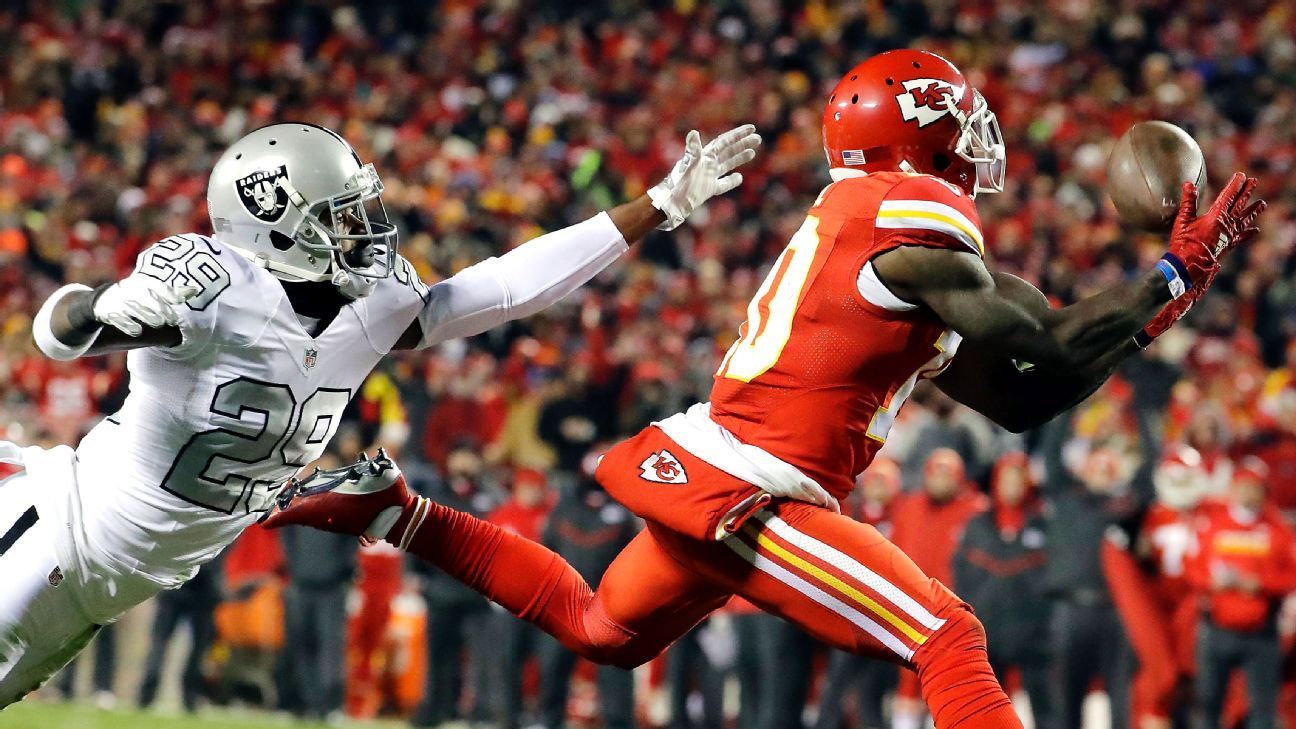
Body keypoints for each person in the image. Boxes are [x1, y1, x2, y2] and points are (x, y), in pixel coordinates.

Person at [262, 49, 1263, 729]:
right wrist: (1170, 276)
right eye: (958, 118)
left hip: (734, 470)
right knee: (948, 635)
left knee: (605, 631)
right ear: (917, 135)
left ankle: (399, 513)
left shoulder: (873, 233)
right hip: (755, 485)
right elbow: (1043, 334)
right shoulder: (901, 215)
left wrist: (1166, 303)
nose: (977, 137)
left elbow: (1025, 395)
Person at [0, 118, 761, 705]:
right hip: (58, 525)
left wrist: (655, 207)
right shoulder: (208, 286)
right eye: (339, 215)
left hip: (119, 579)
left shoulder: (374, 304)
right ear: (273, 223)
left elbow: (502, 289)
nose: (363, 229)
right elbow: (58, 332)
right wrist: (104, 304)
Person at [1102, 445, 1210, 729]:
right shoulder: (1148, 516)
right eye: (1175, 479)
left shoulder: (1210, 512)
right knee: (1162, 677)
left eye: (1185, 479)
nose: (1181, 487)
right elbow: (1133, 562)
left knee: (1198, 682)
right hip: (1160, 607)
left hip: (1195, 606)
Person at [1188, 457, 1296, 729]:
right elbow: (1193, 568)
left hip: (1261, 633)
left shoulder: (1277, 530)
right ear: (1233, 489)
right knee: (1208, 706)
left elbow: (1291, 575)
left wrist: (1260, 583)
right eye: (1243, 486)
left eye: (1255, 487)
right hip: (1217, 629)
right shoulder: (1213, 525)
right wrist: (1212, 582)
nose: (1248, 493)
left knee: (1261, 709)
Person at [952, 452, 1051, 728]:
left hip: (1035, 635)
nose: (1012, 486)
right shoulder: (977, 524)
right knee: (987, 710)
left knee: (1046, 711)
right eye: (1006, 479)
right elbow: (960, 574)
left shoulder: (1043, 523)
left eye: (1018, 479)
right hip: (989, 631)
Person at [889, 449, 986, 729]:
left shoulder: (975, 509)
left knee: (955, 689)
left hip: (957, 616)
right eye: (936, 471)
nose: (941, 479)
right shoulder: (910, 507)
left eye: (948, 473)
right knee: (908, 686)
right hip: (911, 611)